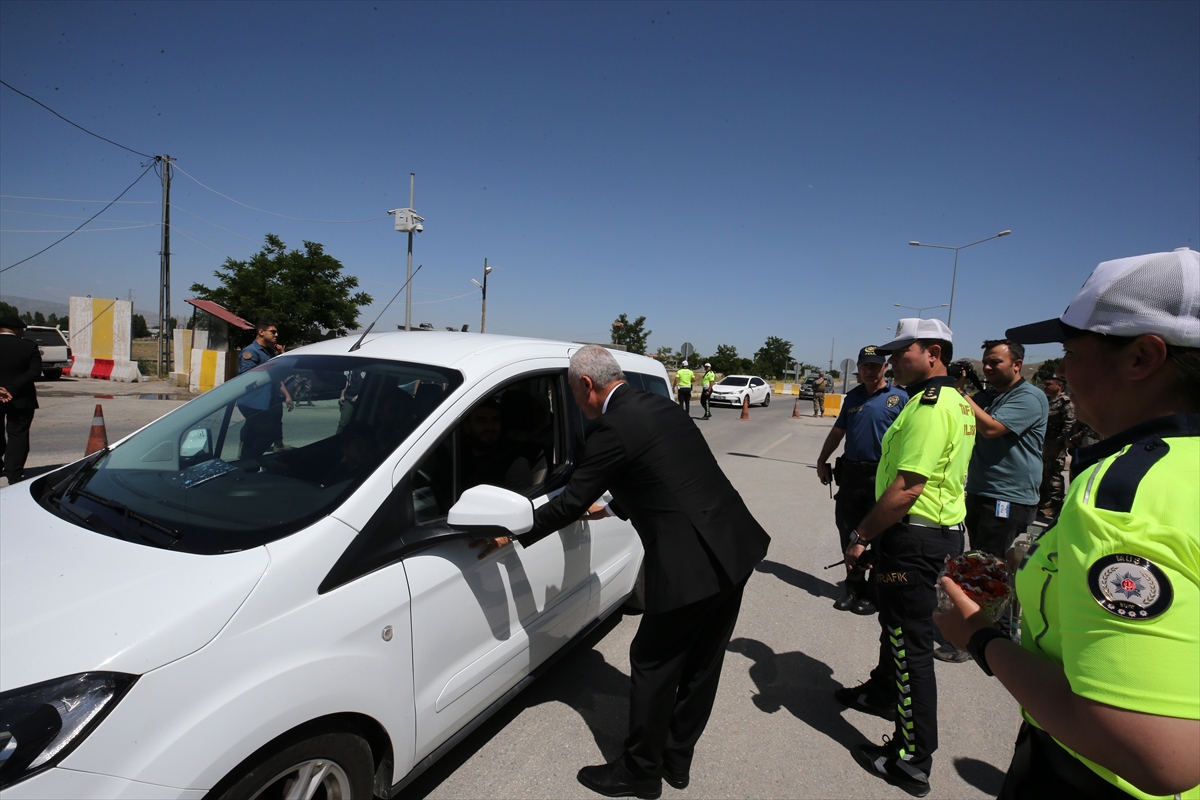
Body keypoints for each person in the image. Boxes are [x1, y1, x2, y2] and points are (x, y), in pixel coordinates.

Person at [935, 247, 1199, 799]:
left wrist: (980, 638)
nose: (1061, 371)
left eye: (1071, 351)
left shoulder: (1126, 499)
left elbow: (1155, 755)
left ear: (1141, 357)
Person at [474, 345, 770, 799]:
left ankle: (640, 772)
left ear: (588, 385)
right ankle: (676, 758)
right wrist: (612, 506)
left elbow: (569, 500)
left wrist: (514, 534)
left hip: (691, 566)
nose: (575, 403)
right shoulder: (657, 405)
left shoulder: (608, 426)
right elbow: (665, 471)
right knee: (702, 663)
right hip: (734, 548)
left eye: (573, 394)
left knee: (652, 662)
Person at [835, 317, 975, 798]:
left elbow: (908, 487)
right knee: (896, 631)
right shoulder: (944, 399)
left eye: (902, 352)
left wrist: (860, 535)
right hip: (922, 536)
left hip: (914, 539)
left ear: (933, 352)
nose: (892, 361)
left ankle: (912, 760)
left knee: (910, 645)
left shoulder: (932, 407)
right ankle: (880, 695)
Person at [936, 338, 1047, 659]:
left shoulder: (1029, 397)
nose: (987, 367)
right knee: (982, 563)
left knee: (990, 568)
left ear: (1016, 365)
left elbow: (991, 428)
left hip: (1008, 496)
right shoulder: (992, 395)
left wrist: (961, 394)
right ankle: (992, 629)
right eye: (985, 361)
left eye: (995, 362)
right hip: (983, 491)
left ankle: (978, 640)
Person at [816, 345, 908, 615]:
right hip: (853, 474)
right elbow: (837, 432)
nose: (868, 370)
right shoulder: (853, 397)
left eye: (874, 365)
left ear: (884, 368)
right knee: (848, 531)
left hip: (884, 475)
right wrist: (822, 460)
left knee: (880, 535)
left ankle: (873, 592)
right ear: (859, 368)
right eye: (864, 365)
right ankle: (853, 588)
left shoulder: (900, 398)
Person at [236, 320, 293, 458]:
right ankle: (251, 460)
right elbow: (248, 376)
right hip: (253, 402)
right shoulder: (251, 352)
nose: (276, 334)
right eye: (272, 332)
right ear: (261, 332)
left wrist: (286, 395)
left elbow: (276, 377)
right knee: (268, 433)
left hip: (266, 402)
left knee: (253, 435)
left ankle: (247, 465)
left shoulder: (268, 352)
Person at [0, 316, 41, 485]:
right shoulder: (29, 346)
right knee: (18, 435)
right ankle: (14, 473)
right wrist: (12, 389)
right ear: (16, 330)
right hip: (21, 398)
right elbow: (35, 372)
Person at [1038, 375, 1074, 520]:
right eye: (1045, 384)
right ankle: (1044, 503)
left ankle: (1054, 506)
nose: (1045, 387)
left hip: (1055, 445)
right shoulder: (1047, 401)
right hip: (1043, 444)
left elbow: (1069, 425)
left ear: (1059, 386)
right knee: (1043, 474)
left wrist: (1059, 444)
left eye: (1048, 384)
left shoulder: (1066, 403)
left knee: (1054, 475)